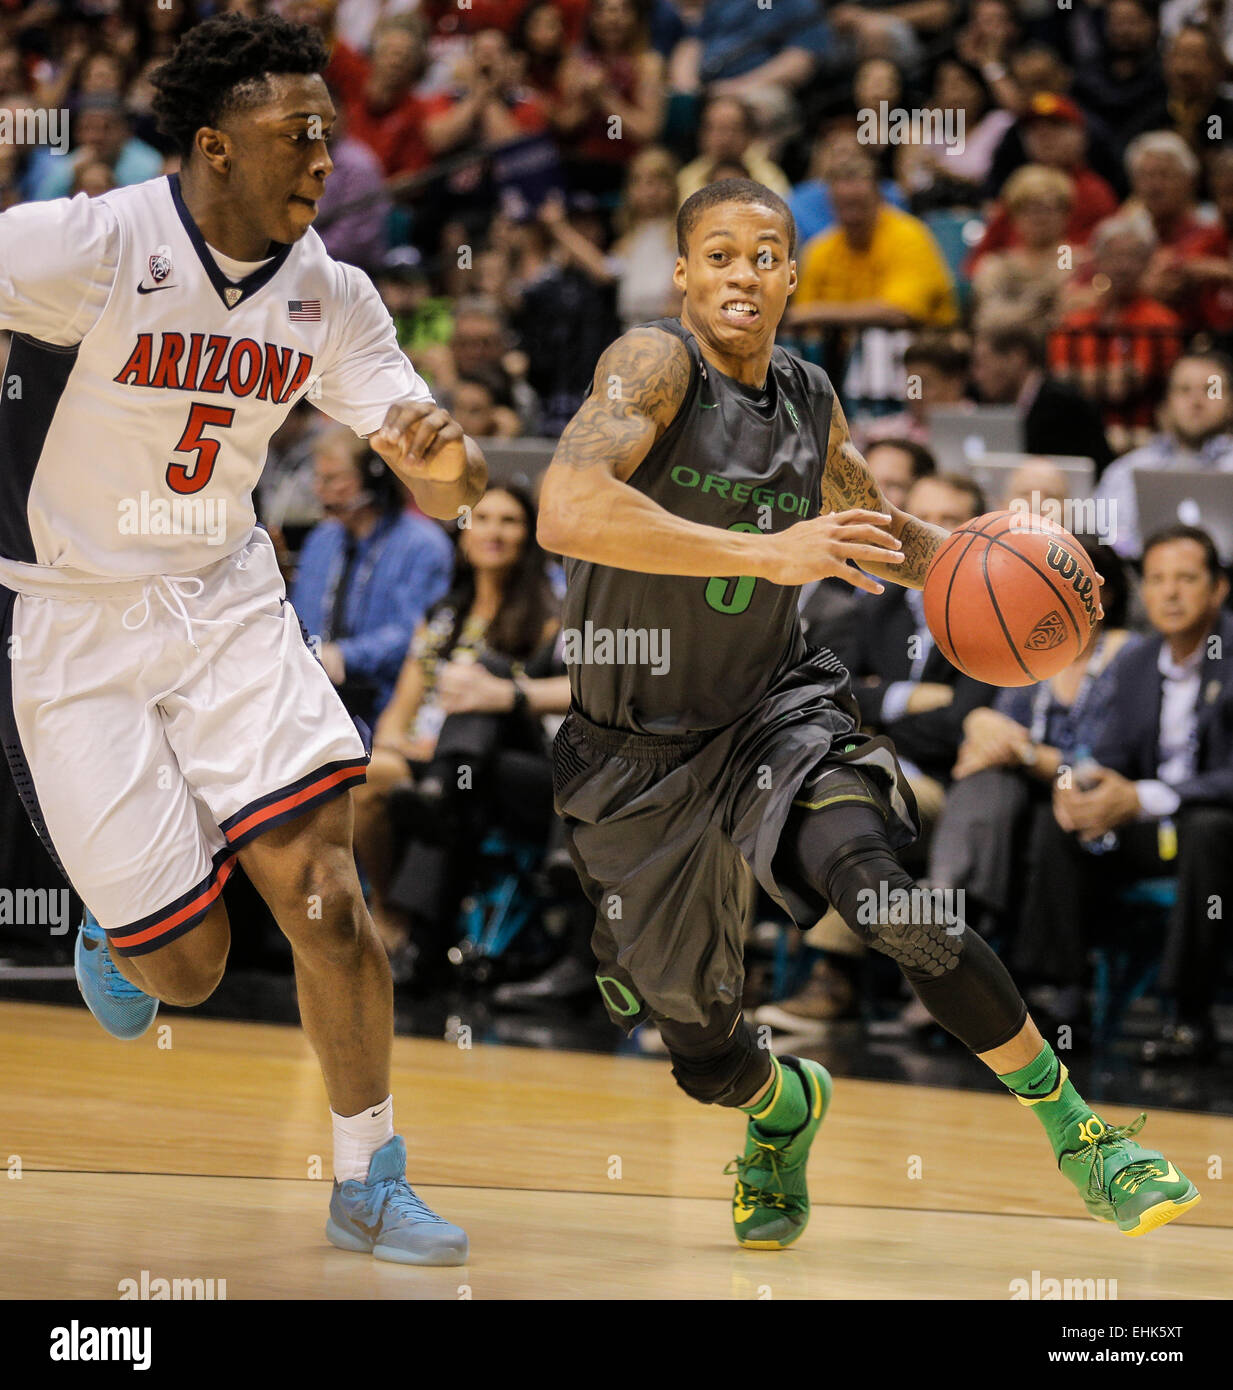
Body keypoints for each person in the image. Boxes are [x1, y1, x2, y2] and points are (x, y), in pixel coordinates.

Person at [536, 175, 1198, 1248]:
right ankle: (781, 1110)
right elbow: (566, 509)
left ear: (792, 275)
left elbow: (870, 525)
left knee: (888, 898)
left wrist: (1005, 577)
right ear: (684, 274)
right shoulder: (652, 366)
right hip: (632, 752)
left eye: (764, 253)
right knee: (702, 1050)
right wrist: (767, 551)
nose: (743, 272)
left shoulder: (809, 398)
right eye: (719, 254)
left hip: (772, 714)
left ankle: (1086, 1136)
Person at [0, 14, 486, 1265]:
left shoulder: (336, 292)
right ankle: (123, 923)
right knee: (191, 970)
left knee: (329, 901)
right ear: (215, 149)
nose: (326, 159)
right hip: (72, 615)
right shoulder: (87, 243)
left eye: (330, 133)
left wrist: (446, 465)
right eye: (298, 137)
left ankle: (369, 1172)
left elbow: (431, 456)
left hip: (222, 601)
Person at [1018, 526, 1233, 1063]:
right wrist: (1081, 786)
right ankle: (1063, 1003)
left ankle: (1189, 1015)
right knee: (1060, 821)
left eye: (1186, 578)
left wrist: (1145, 796)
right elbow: (1108, 756)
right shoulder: (1136, 662)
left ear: (1219, 588)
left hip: (1210, 827)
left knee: (1208, 832)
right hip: (1150, 829)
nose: (1170, 593)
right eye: (1157, 579)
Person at [353, 486, 567, 973]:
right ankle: (389, 912)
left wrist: (500, 692)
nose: (493, 530)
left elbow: (586, 691)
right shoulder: (442, 615)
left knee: (480, 674)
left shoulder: (553, 615)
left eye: (509, 521)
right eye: (482, 518)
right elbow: (399, 710)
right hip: (434, 753)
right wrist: (400, 742)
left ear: (529, 536)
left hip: (513, 755)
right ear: (464, 534)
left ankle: (441, 788)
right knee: (368, 774)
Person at [291, 429, 455, 722]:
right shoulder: (321, 539)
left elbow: (417, 635)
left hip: (387, 702)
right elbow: (298, 619)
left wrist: (344, 655)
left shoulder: (424, 545)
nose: (320, 490)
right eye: (318, 478)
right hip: (313, 697)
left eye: (333, 479)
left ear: (373, 478)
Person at [1095, 351, 1233, 558]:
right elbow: (1102, 538)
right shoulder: (1126, 470)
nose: (1196, 401)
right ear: (1168, 402)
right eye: (1184, 390)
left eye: (1210, 390)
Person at [970, 313, 1114, 472]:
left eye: (983, 363)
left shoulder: (1068, 406)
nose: (977, 376)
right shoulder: (990, 405)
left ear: (1016, 358)